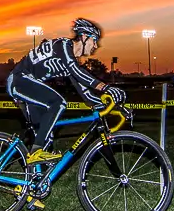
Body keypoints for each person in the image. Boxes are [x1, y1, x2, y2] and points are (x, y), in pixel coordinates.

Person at [7, 18, 126, 164]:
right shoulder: (63, 46)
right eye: (94, 40)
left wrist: (114, 107)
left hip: (30, 86)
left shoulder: (69, 62)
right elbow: (78, 72)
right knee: (58, 103)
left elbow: (85, 91)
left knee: (45, 137)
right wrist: (105, 87)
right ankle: (36, 152)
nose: (96, 45)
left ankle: (34, 182)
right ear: (84, 37)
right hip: (20, 80)